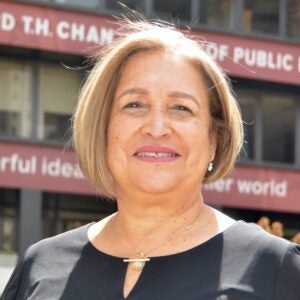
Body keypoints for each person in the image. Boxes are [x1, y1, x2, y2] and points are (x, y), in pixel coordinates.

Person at [2, 19, 300, 300]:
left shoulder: (275, 269)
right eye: (134, 105)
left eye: (181, 108)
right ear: (102, 129)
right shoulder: (40, 266)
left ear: (215, 139)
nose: (157, 128)